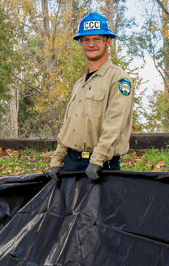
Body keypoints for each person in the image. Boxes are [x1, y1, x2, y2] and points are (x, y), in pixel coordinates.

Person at [48, 12, 134, 182]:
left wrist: (98, 159)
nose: (91, 44)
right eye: (86, 40)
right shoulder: (80, 84)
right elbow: (69, 125)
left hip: (99, 166)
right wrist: (58, 159)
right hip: (71, 163)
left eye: (97, 39)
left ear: (108, 42)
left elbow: (115, 124)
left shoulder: (119, 79)